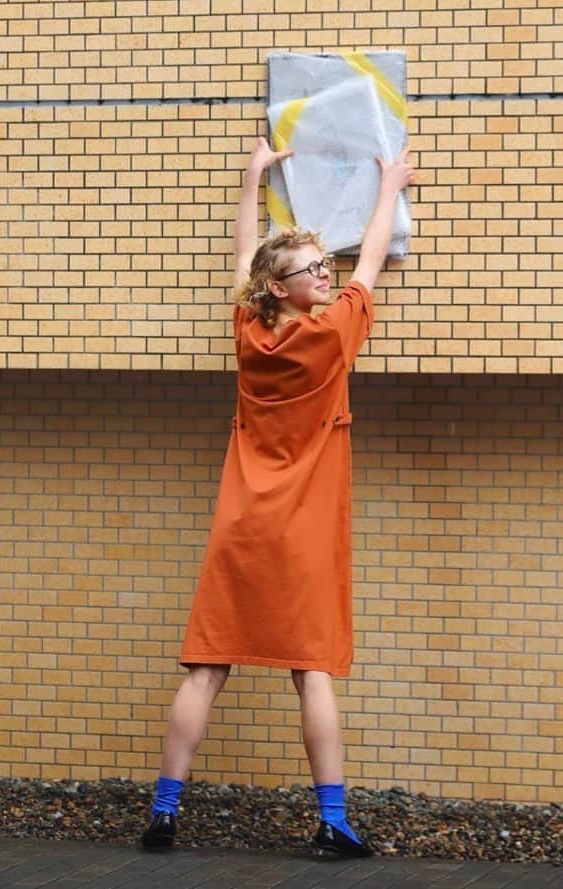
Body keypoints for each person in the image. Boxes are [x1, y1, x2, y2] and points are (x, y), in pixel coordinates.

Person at [142, 136, 415, 856]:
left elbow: (243, 261)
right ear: (282, 288)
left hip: (240, 525)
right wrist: (389, 186)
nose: (326, 274)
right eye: (310, 269)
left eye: (325, 265)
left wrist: (250, 181)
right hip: (301, 533)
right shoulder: (331, 335)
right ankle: (334, 822)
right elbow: (373, 258)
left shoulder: (247, 334)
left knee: (208, 666)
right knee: (311, 671)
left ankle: (164, 813)